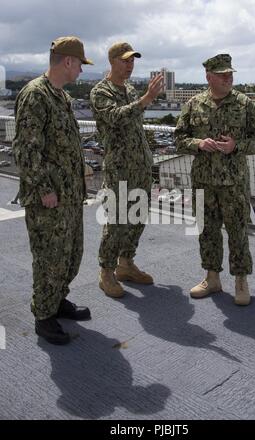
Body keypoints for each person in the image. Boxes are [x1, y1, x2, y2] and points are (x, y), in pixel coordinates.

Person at [13, 36, 93, 344]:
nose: (82, 72)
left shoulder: (61, 96)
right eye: (80, 65)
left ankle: (57, 300)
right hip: (48, 198)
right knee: (49, 258)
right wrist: (44, 188)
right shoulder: (36, 95)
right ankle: (44, 315)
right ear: (68, 61)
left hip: (69, 195)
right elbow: (26, 150)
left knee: (71, 255)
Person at [175, 54, 255, 306]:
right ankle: (212, 277)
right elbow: (179, 138)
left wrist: (236, 146)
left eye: (230, 73)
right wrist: (198, 143)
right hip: (203, 181)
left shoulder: (244, 104)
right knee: (207, 231)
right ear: (209, 76)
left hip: (233, 182)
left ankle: (240, 280)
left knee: (238, 232)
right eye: (223, 74)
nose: (229, 78)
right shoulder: (194, 104)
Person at [90, 42, 163, 298]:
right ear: (112, 61)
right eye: (125, 61)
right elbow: (116, 117)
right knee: (117, 220)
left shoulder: (130, 88)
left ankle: (126, 263)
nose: (130, 65)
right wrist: (146, 99)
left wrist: (142, 99)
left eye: (132, 61)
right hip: (119, 168)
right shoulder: (101, 91)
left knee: (137, 216)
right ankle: (106, 272)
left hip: (140, 165)